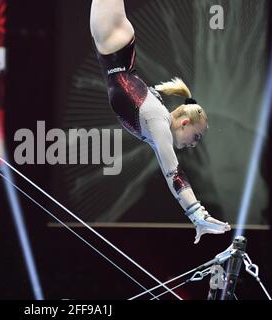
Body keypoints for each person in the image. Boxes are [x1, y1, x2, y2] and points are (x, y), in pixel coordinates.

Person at [90, 0, 230, 244]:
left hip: (114, 45)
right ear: (184, 122)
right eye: (196, 136)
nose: (194, 145)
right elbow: (173, 173)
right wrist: (198, 214)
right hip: (114, 44)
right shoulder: (158, 124)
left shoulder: (158, 124)